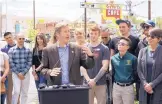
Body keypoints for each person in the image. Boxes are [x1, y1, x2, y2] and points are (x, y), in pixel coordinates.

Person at [82, 26, 109, 104]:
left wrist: (95, 80)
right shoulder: (84, 48)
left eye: (95, 33)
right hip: (87, 83)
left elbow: (105, 67)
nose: (93, 35)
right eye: (91, 33)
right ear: (88, 34)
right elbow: (82, 66)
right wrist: (88, 80)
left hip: (100, 83)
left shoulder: (104, 48)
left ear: (99, 35)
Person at [137, 28, 162, 104]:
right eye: (148, 36)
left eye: (152, 37)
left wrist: (152, 84)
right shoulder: (142, 51)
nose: (149, 38)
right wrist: (145, 84)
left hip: (158, 88)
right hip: (144, 88)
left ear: (159, 39)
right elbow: (139, 69)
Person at [111, 37, 137, 104]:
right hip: (116, 87)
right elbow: (113, 72)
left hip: (128, 87)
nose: (120, 45)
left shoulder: (133, 58)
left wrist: (131, 81)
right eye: (119, 43)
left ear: (127, 47)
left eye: (122, 44)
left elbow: (136, 73)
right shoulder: (113, 58)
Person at [8, 33, 32, 104]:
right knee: (16, 91)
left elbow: (29, 62)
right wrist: (18, 73)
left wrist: (23, 73)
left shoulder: (28, 50)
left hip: (25, 74)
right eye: (20, 38)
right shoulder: (11, 50)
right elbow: (11, 63)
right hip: (15, 74)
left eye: (23, 39)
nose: (21, 40)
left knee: (25, 92)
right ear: (16, 39)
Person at [1, 32, 16, 104]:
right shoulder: (3, 50)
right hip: (9, 73)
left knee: (18, 92)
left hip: (18, 72)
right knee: (9, 92)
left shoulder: (19, 46)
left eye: (10, 37)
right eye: (7, 38)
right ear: (5, 40)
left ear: (12, 36)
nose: (9, 39)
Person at [32, 33, 47, 102]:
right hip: (36, 72)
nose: (39, 40)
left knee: (43, 89)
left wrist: (37, 69)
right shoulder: (35, 49)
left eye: (41, 38)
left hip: (44, 72)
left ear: (43, 39)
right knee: (38, 89)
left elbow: (46, 61)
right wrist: (34, 73)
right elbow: (33, 62)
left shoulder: (47, 48)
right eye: (38, 39)